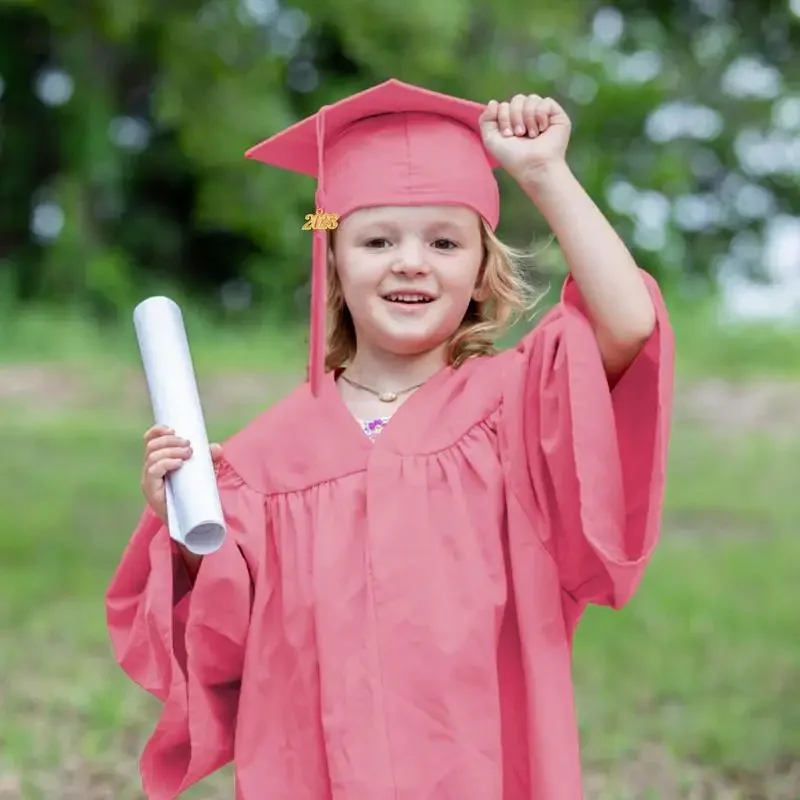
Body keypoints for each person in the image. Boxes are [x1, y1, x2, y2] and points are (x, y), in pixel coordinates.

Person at [106, 79, 674, 800]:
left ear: (480, 269)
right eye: (377, 240)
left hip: (481, 765)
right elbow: (218, 641)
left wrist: (544, 175)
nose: (411, 261)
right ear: (333, 259)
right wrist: (180, 520)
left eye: (444, 240)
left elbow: (626, 325)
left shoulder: (513, 407)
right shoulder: (259, 464)